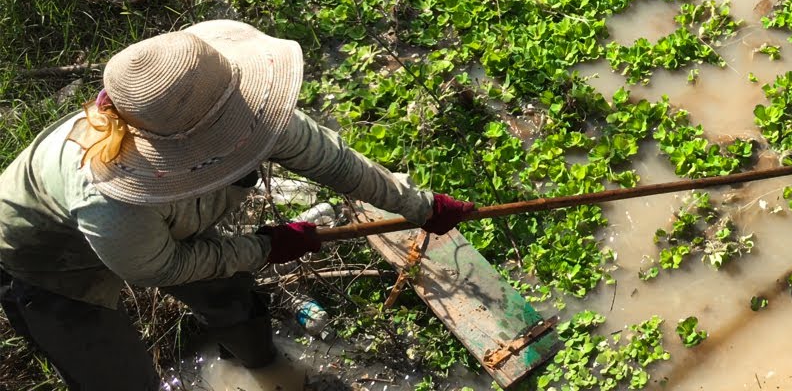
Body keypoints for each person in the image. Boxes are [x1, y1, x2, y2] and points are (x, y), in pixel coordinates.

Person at [0, 20, 476, 390]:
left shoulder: (233, 102)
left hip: (153, 228)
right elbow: (160, 267)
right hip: (46, 260)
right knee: (118, 378)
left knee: (231, 296)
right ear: (188, 149)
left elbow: (332, 160)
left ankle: (261, 367)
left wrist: (420, 205)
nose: (247, 131)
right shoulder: (109, 196)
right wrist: (264, 248)